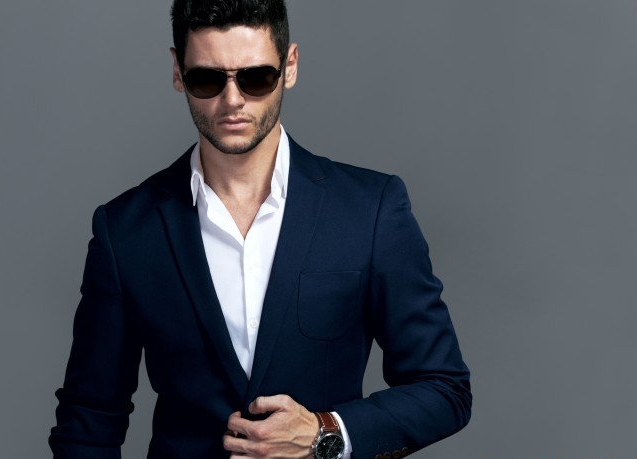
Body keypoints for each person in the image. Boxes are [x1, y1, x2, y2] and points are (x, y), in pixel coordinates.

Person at [49, 1, 471, 458]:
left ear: (290, 66)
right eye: (207, 79)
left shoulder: (369, 210)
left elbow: (443, 387)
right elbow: (89, 418)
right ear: (177, 73)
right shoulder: (127, 231)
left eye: (255, 78)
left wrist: (324, 434)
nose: (232, 100)